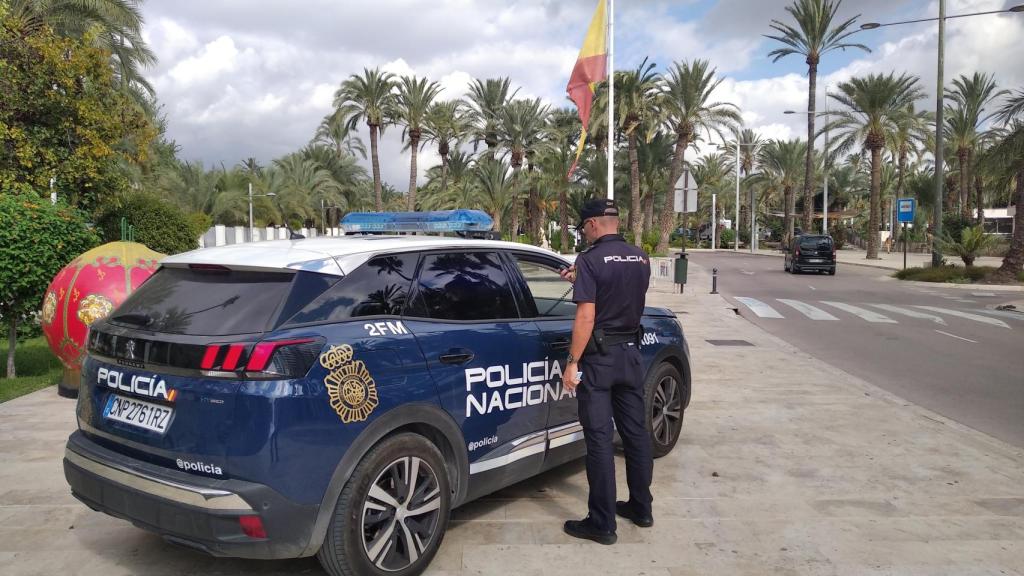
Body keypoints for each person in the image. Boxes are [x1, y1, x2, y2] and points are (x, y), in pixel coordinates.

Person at [559, 198, 654, 545]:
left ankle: (602, 523)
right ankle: (641, 508)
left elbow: (586, 316)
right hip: (631, 355)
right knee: (636, 434)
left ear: (594, 224)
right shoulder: (641, 257)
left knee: (599, 440)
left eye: (584, 227)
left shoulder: (590, 260)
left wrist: (572, 362)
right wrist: (579, 277)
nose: (584, 233)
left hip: (599, 360)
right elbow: (623, 291)